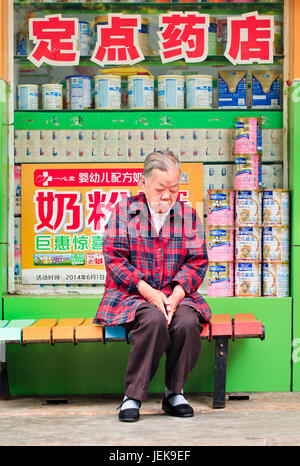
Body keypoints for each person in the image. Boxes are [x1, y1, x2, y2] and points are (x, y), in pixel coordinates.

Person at [94, 150, 211, 422]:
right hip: (132, 295)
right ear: (143, 183)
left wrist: (177, 293)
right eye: (160, 188)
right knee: (154, 320)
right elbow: (114, 257)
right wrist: (148, 291)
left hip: (177, 295)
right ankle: (132, 397)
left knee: (185, 322)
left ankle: (174, 393)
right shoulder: (124, 212)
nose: (167, 196)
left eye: (174, 189)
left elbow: (198, 261)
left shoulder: (188, 217)